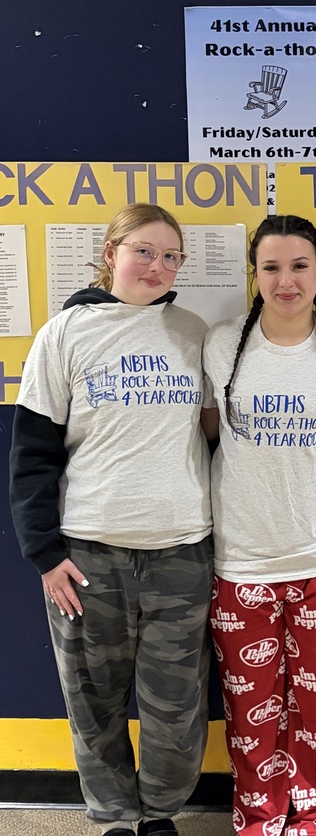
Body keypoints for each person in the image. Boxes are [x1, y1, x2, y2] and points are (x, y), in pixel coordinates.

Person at [9, 203, 213, 836]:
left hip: (181, 551)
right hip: (88, 554)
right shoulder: (65, 333)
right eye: (143, 250)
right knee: (92, 699)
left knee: (175, 707)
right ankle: (114, 817)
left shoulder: (193, 330)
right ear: (111, 252)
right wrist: (43, 552)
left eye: (170, 255)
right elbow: (32, 454)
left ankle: (160, 814)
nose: (157, 266)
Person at [202, 214, 316, 836]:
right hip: (241, 560)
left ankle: (315, 819)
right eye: (271, 266)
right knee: (250, 712)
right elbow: (211, 429)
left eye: (299, 265)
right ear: (255, 274)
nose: (286, 279)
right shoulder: (220, 344)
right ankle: (259, 819)